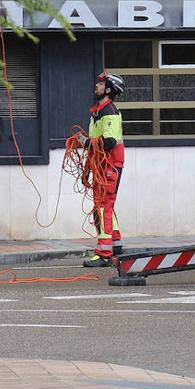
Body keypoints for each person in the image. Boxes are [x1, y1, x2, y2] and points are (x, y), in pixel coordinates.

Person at [82, 71, 125, 268]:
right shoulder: (99, 110)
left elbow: (108, 142)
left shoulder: (109, 112)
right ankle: (115, 245)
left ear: (108, 89)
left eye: (100, 84)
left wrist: (86, 143)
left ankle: (104, 253)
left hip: (109, 166)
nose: (96, 86)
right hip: (104, 165)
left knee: (102, 207)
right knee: (107, 206)